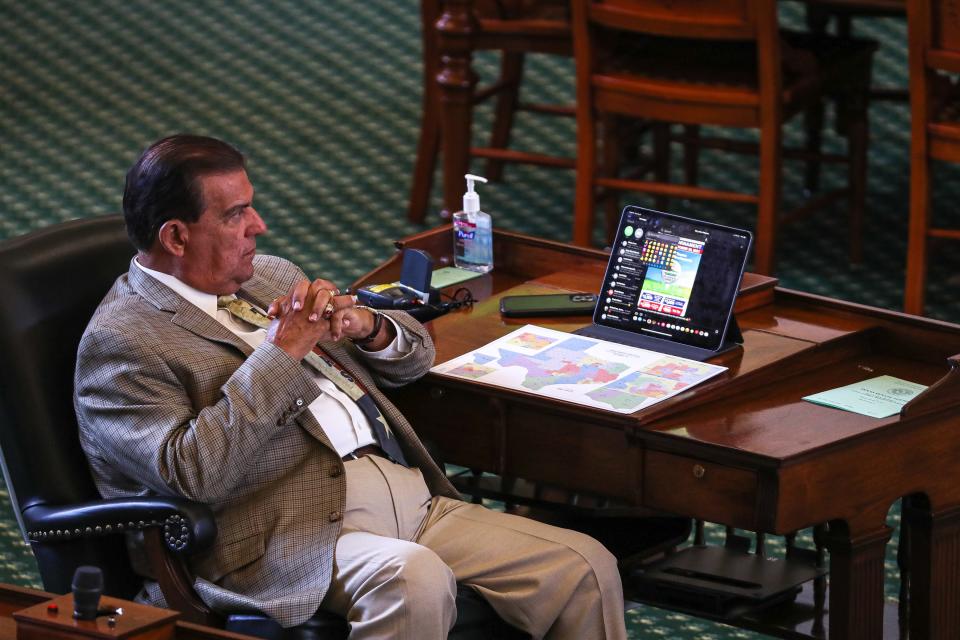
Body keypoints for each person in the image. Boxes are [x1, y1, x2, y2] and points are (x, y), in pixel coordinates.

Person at [74, 134, 627, 640]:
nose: (258, 226)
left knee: (583, 565)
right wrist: (283, 353)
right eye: (237, 214)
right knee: (413, 578)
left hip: (407, 497)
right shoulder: (122, 341)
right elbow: (191, 472)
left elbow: (413, 363)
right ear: (176, 235)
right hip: (280, 539)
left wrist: (371, 327)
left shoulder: (268, 274)